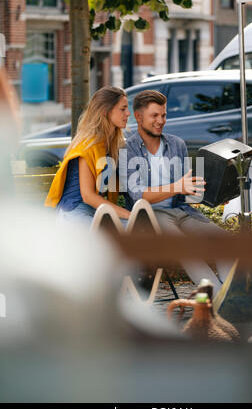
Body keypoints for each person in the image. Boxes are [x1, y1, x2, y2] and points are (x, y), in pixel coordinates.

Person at [119, 90, 232, 295]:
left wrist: (211, 188)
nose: (160, 121)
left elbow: (186, 187)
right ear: (138, 116)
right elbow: (138, 195)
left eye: (163, 115)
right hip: (151, 217)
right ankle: (219, 299)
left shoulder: (177, 144)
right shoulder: (128, 149)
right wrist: (177, 187)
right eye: (154, 115)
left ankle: (228, 295)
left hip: (182, 211)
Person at [45, 86, 131, 227]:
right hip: (74, 215)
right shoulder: (88, 146)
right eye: (123, 109)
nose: (128, 113)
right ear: (105, 112)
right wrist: (129, 215)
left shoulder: (108, 144)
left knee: (139, 230)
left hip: (95, 213)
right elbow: (88, 196)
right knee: (125, 233)